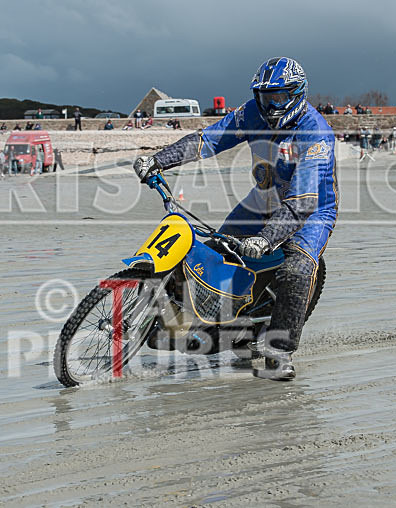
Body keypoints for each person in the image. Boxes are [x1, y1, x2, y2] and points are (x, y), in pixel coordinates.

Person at [133, 57, 337, 381]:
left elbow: (301, 203)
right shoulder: (251, 113)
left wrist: (267, 239)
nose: (272, 105)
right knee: (218, 253)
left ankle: (280, 350)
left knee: (295, 269)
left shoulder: (316, 135)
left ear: (298, 94)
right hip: (263, 200)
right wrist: (159, 160)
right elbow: (208, 140)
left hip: (310, 211)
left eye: (281, 97)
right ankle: (205, 323)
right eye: (266, 97)